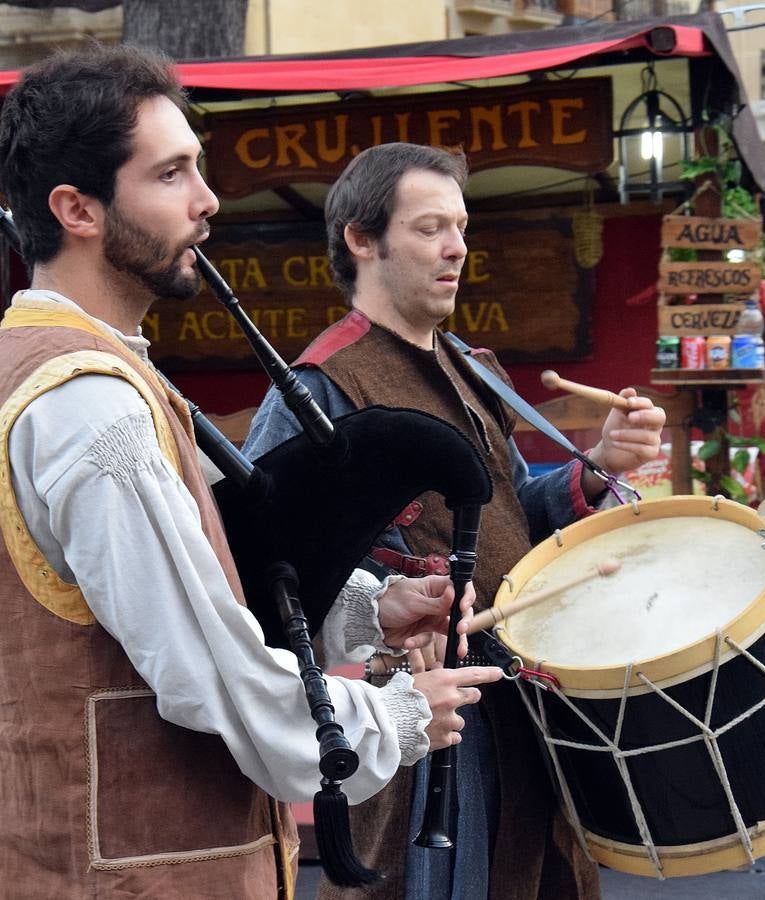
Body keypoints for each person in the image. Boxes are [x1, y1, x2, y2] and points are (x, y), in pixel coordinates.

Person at [0, 48, 504, 898]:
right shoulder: (92, 406)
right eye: (170, 174)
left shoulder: (37, 364)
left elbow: (186, 585)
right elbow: (214, 676)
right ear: (76, 209)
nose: (206, 201)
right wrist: (398, 713)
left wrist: (363, 610)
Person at [244, 143, 667, 900]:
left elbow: (512, 523)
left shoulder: (471, 368)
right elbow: (265, 571)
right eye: (430, 227)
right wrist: (388, 601)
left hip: (524, 693)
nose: (456, 248)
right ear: (361, 239)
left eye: (461, 227)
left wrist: (598, 464)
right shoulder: (318, 390)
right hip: (421, 712)